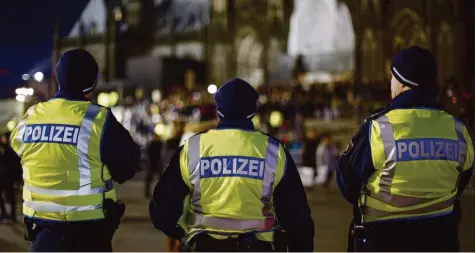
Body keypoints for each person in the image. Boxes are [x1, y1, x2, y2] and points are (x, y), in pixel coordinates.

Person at [149, 78, 315, 252]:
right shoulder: (274, 151)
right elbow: (298, 218)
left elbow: (161, 210)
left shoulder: (193, 148)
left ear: (218, 110)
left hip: (204, 247)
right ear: (253, 110)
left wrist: (181, 233)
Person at [336, 46, 474, 252]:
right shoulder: (458, 130)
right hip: (441, 239)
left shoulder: (378, 129)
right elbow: (462, 180)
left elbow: (347, 183)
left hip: (383, 240)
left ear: (401, 82)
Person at [9, 49, 140, 252]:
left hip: (41, 236)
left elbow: (16, 148)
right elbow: (128, 167)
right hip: (87, 237)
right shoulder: (97, 119)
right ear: (92, 83)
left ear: (58, 77)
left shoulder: (32, 116)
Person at [0, 132, 22, 223]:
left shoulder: (10, 149)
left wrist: (17, 177)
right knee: (8, 196)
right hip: (3, 176)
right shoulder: (6, 149)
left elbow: (15, 163)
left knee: (12, 196)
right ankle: (5, 213)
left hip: (8, 176)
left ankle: (12, 216)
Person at [145, 134, 163, 198]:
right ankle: (148, 193)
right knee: (151, 179)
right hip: (154, 163)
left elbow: (148, 152)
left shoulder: (156, 144)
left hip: (154, 163)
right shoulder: (159, 144)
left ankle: (148, 193)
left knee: (150, 179)